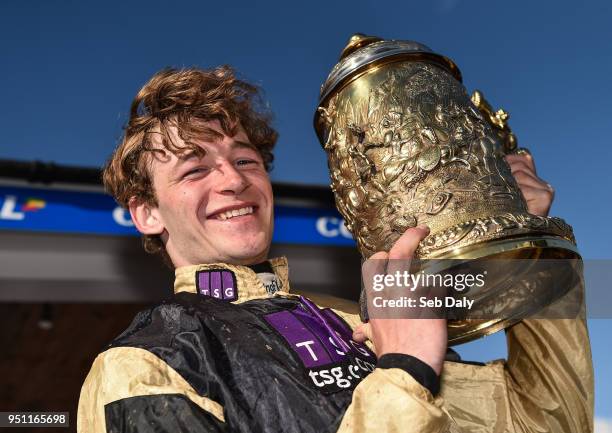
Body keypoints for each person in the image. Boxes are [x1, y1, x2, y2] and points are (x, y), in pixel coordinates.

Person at [77, 66, 593, 433]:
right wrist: (404, 372)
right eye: (194, 168)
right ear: (146, 212)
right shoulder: (141, 364)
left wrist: (527, 243)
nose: (233, 179)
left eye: (246, 161)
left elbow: (552, 419)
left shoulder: (361, 322)